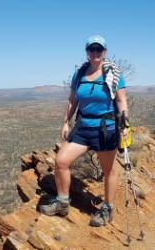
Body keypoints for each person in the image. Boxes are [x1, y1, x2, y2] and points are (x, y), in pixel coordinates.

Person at [39, 35, 129, 227]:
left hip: (105, 128)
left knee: (108, 170)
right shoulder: (80, 73)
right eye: (91, 49)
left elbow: (121, 101)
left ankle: (107, 208)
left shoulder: (112, 73)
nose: (95, 52)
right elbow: (73, 100)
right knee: (61, 161)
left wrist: (124, 124)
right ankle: (62, 202)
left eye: (99, 49)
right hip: (83, 127)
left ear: (104, 51)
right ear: (87, 51)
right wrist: (65, 123)